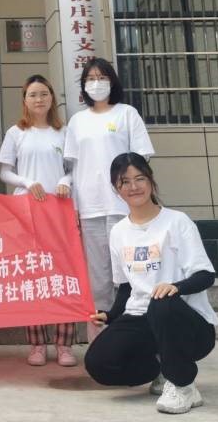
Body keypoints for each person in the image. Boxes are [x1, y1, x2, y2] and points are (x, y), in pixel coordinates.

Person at [84, 153, 218, 415]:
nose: (133, 187)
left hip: (187, 323)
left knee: (161, 302)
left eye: (139, 179)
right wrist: (111, 315)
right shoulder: (119, 232)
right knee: (98, 363)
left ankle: (183, 385)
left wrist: (177, 287)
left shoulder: (177, 222)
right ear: (116, 188)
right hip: (142, 317)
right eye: (125, 182)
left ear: (150, 180)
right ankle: (163, 369)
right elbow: (126, 286)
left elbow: (205, 275)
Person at [63, 57, 154, 341]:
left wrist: (131, 188)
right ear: (83, 85)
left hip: (124, 208)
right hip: (90, 208)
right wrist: (70, 197)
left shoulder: (127, 114)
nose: (97, 83)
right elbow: (72, 167)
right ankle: (100, 341)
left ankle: (134, 336)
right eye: (90, 79)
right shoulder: (77, 121)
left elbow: (141, 158)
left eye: (102, 77)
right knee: (98, 278)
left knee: (130, 274)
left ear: (112, 81)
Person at [0, 74, 77, 367]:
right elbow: (4, 172)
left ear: (52, 98)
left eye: (44, 93)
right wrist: (27, 182)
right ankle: (37, 344)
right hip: (26, 211)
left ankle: (64, 345)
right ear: (25, 100)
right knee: (32, 276)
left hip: (59, 211)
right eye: (33, 94)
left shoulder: (64, 132)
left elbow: (74, 168)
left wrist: (66, 180)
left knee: (62, 275)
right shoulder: (16, 132)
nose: (39, 99)